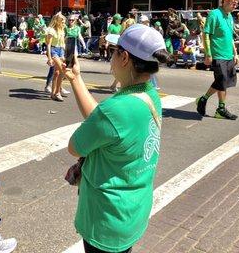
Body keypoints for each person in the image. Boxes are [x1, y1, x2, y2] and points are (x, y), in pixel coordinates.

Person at [57, 24, 172, 253]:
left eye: (113, 51)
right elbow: (106, 125)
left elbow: (75, 147)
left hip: (106, 218)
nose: (110, 57)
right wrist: (76, 79)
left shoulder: (116, 110)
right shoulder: (149, 95)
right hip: (132, 211)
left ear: (124, 57)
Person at [196, 0, 239, 120]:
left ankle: (217, 107)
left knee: (224, 82)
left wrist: (235, 53)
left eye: (236, 3)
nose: (235, 5)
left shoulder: (230, 16)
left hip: (228, 55)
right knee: (221, 80)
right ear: (225, 1)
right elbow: (206, 34)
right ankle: (212, 103)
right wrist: (208, 54)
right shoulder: (214, 14)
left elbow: (231, 37)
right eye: (233, 3)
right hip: (217, 54)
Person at [45, 12, 69, 101]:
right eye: (62, 22)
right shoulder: (51, 30)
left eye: (64, 22)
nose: (64, 24)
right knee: (63, 70)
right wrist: (49, 58)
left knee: (57, 73)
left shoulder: (62, 29)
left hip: (61, 51)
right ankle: (58, 92)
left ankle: (53, 94)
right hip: (54, 50)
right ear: (58, 21)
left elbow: (63, 43)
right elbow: (48, 44)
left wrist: (64, 54)